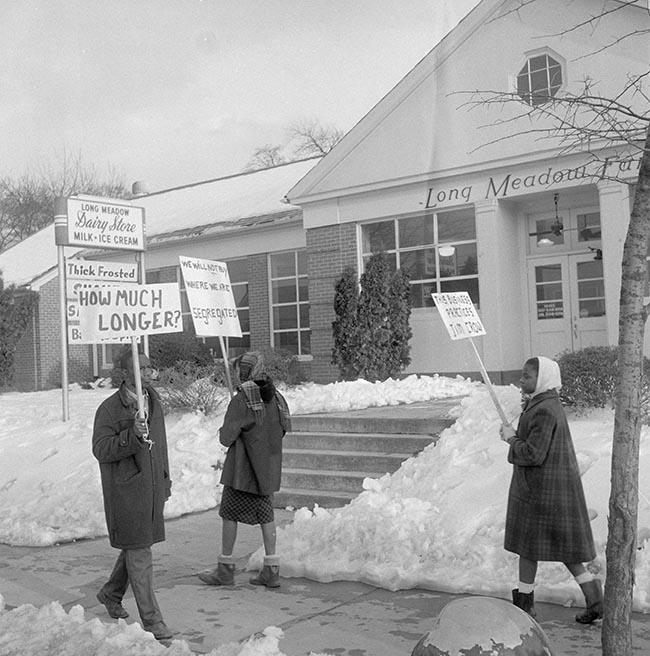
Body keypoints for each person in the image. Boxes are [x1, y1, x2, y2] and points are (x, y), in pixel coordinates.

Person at [500, 356, 602, 623]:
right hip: (549, 489)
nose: (522, 380)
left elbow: (534, 453)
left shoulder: (544, 410)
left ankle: (525, 607)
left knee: (529, 549)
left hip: (541, 492)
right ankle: (595, 600)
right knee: (562, 549)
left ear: (542, 379)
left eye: (527, 376)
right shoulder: (543, 404)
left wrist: (511, 439)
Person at [92, 348, 173, 641]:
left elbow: (160, 446)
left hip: (151, 489)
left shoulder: (154, 402)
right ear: (126, 375)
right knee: (140, 552)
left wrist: (164, 480)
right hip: (126, 493)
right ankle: (153, 621)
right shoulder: (109, 410)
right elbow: (101, 449)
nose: (151, 373)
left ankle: (110, 594)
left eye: (151, 368)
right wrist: (131, 436)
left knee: (135, 546)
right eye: (144, 370)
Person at [198, 350, 291, 588]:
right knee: (266, 517)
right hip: (267, 470)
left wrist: (227, 428)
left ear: (245, 372)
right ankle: (271, 569)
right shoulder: (278, 398)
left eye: (240, 370)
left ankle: (225, 570)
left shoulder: (243, 399)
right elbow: (282, 429)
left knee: (229, 514)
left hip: (242, 471)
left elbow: (226, 438)